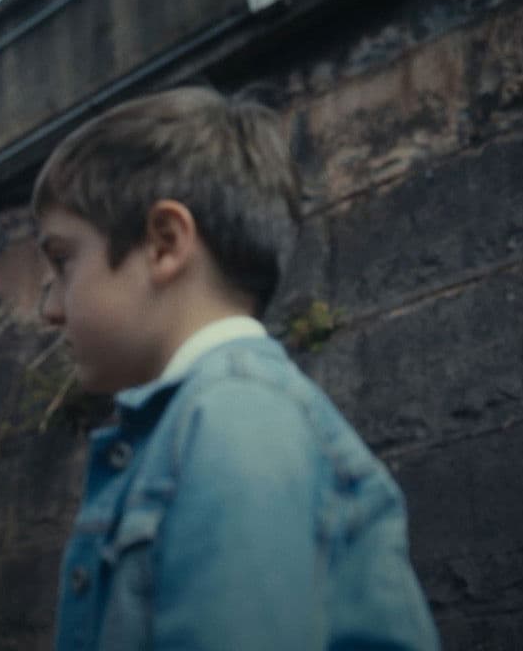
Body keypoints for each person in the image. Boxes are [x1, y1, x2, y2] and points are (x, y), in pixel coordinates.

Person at [33, 87, 439, 650]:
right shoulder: (216, 417)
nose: (50, 309)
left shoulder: (235, 420)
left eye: (62, 261)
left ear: (164, 244)